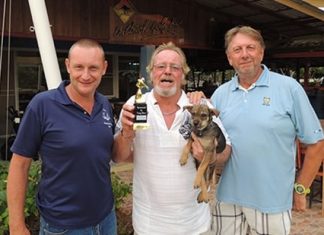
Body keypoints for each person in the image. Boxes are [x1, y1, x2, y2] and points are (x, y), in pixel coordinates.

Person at [209, 25, 324, 234]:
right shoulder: (220, 95)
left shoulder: (289, 88)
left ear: (261, 52)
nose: (244, 54)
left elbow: (317, 143)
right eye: (237, 50)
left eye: (250, 48)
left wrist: (301, 189)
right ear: (229, 58)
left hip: (272, 202)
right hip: (226, 199)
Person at [112, 42, 232, 235]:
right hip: (148, 224)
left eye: (174, 67)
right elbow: (118, 157)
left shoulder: (200, 106)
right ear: (151, 74)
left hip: (194, 224)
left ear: (183, 75)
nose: (167, 71)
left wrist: (208, 156)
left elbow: (226, 152)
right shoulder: (136, 105)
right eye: (160, 66)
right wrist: (126, 133)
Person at [7, 39, 117, 235]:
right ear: (67, 66)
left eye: (93, 68)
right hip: (62, 226)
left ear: (104, 68)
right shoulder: (42, 105)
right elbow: (19, 165)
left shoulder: (104, 105)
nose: (85, 75)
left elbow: (106, 155)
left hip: (106, 219)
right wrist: (16, 225)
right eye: (78, 67)